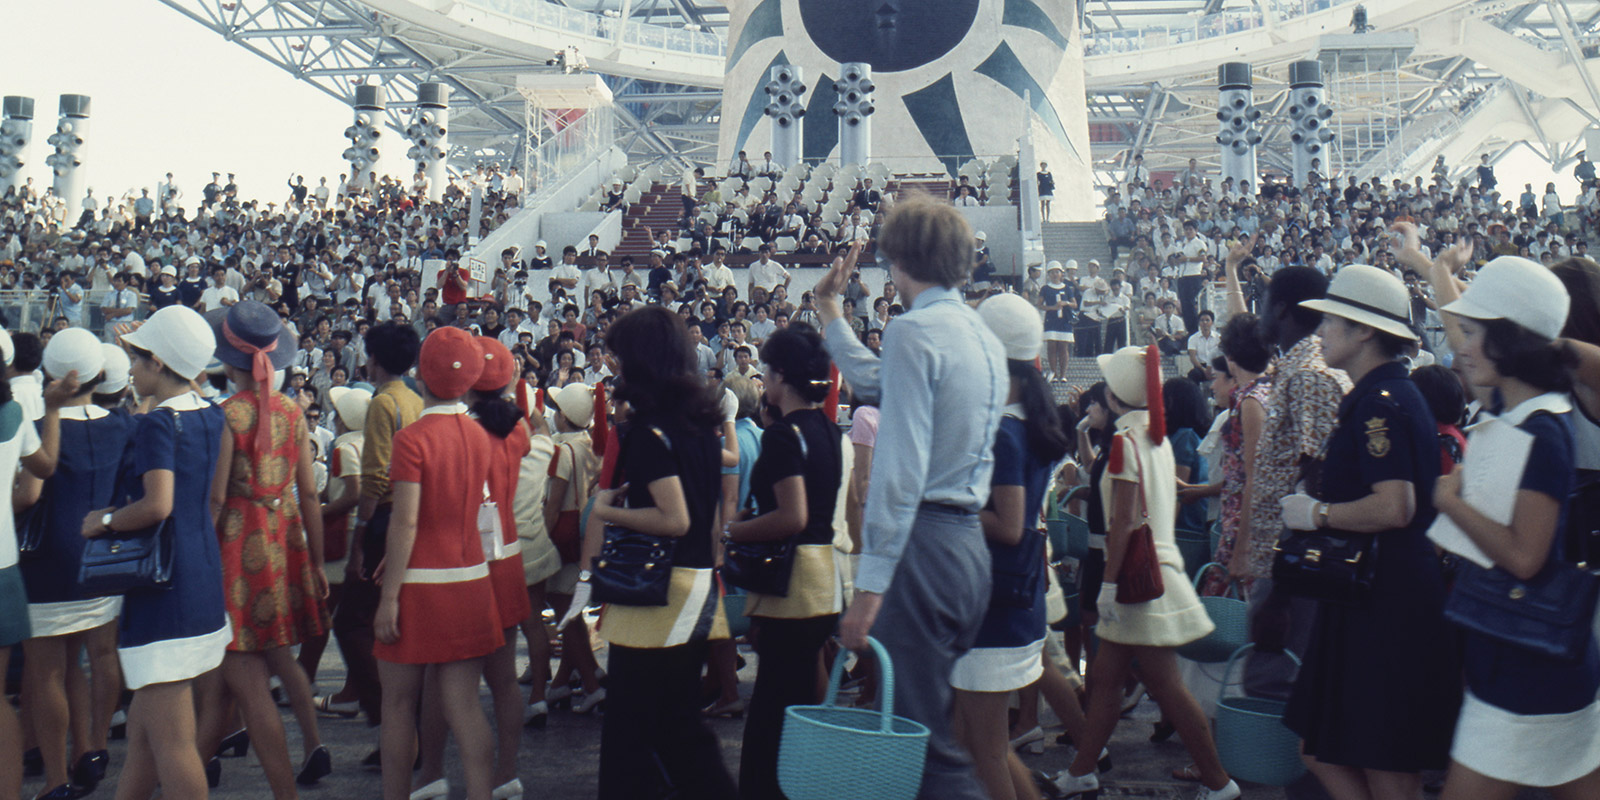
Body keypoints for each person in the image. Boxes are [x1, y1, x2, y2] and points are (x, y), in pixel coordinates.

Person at [814, 196, 1008, 799]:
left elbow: (898, 474)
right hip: (966, 547)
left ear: (900, 262)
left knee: (921, 748)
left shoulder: (913, 331)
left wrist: (869, 588)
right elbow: (879, 381)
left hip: (922, 547)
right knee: (936, 733)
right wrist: (829, 311)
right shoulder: (981, 336)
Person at [1278, 265, 1461, 798]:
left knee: (1383, 760)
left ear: (1363, 331)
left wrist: (1316, 515)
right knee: (1323, 747)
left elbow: (1394, 506)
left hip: (1386, 602)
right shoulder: (1382, 397)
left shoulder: (1381, 405)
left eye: (1331, 321)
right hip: (1374, 598)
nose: (1320, 332)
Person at [1431, 257, 1600, 798]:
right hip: (1522, 651)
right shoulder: (1520, 410)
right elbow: (1465, 341)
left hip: (1531, 661)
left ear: (1509, 343)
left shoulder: (1544, 430)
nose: (1462, 346)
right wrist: (1432, 267)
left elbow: (1526, 557)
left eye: (1479, 333)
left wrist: (1450, 502)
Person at [560, 305, 736, 800]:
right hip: (693, 587)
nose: (613, 366)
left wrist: (606, 511)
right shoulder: (694, 425)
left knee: (648, 732)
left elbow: (672, 518)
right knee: (664, 728)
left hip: (663, 595)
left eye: (618, 357)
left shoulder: (644, 433)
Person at [1052, 345, 1239, 800]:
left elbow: (1124, 523)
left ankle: (1219, 782)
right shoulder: (1152, 437)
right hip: (1156, 573)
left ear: (1114, 397)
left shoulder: (1124, 443)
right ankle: (1081, 771)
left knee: (1160, 685)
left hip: (1137, 581)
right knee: (1111, 680)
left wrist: (1110, 586)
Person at [88, 306, 228, 800]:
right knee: (148, 741)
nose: (131, 368)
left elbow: (156, 505)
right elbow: (213, 500)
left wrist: (103, 522)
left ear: (160, 365)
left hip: (163, 596)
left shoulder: (157, 424)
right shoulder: (214, 413)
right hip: (202, 580)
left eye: (139, 358)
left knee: (171, 744)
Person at [201, 300, 333, 796]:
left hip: (237, 541)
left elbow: (216, 498)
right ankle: (314, 743)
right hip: (282, 537)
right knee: (280, 653)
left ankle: (199, 760)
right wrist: (317, 561)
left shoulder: (226, 415)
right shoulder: (292, 411)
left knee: (236, 667)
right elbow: (311, 493)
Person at [372, 327, 504, 800]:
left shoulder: (412, 438)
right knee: (465, 707)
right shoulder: (480, 435)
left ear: (420, 374)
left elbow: (406, 525)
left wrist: (388, 598)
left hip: (418, 585)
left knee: (399, 706)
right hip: (470, 582)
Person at [950, 294, 1070, 800]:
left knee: (985, 752)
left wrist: (939, 508)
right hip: (1018, 601)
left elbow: (1008, 525)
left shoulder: (1003, 431)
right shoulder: (1030, 423)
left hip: (994, 607)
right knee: (980, 744)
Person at [413, 337, 531, 800]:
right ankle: (506, 774)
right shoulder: (518, 430)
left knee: (440, 679)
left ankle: (431, 774)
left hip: (463, 559)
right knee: (503, 680)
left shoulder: (459, 432)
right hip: (509, 554)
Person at [730, 324, 844, 800]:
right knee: (795, 703)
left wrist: (729, 531)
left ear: (779, 377)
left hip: (791, 582)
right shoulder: (828, 429)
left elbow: (790, 515)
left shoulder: (783, 436)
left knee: (773, 715)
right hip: (823, 577)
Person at [19, 330, 122, 800]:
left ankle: (57, 778)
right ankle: (91, 748)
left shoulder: (41, 423)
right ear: (99, 375)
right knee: (92, 660)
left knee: (46, 674)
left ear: (50, 375)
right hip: (101, 555)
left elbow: (27, 495)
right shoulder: (122, 425)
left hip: (47, 563)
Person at [342, 322, 424, 726]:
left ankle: (387, 716)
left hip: (386, 517)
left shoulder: (381, 403)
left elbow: (374, 478)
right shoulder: (414, 398)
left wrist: (358, 540)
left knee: (354, 621)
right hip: (413, 511)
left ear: (374, 360)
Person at [537, 384, 607, 720]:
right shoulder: (592, 444)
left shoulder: (562, 450)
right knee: (572, 611)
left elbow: (553, 503)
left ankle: (593, 686)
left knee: (567, 614)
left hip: (563, 537)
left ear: (565, 415)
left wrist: (541, 538)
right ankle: (564, 681)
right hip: (586, 533)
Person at [1041, 263, 1076, 382]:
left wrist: (1065, 303)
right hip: (1051, 320)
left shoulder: (1067, 288)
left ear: (1061, 273)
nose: (1055, 275)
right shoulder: (1045, 288)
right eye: (1052, 272)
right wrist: (1053, 307)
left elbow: (1074, 304)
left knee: (1063, 347)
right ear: (1049, 274)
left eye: (1057, 272)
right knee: (1051, 347)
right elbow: (1040, 305)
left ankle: (1063, 375)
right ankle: (1053, 373)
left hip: (1064, 321)